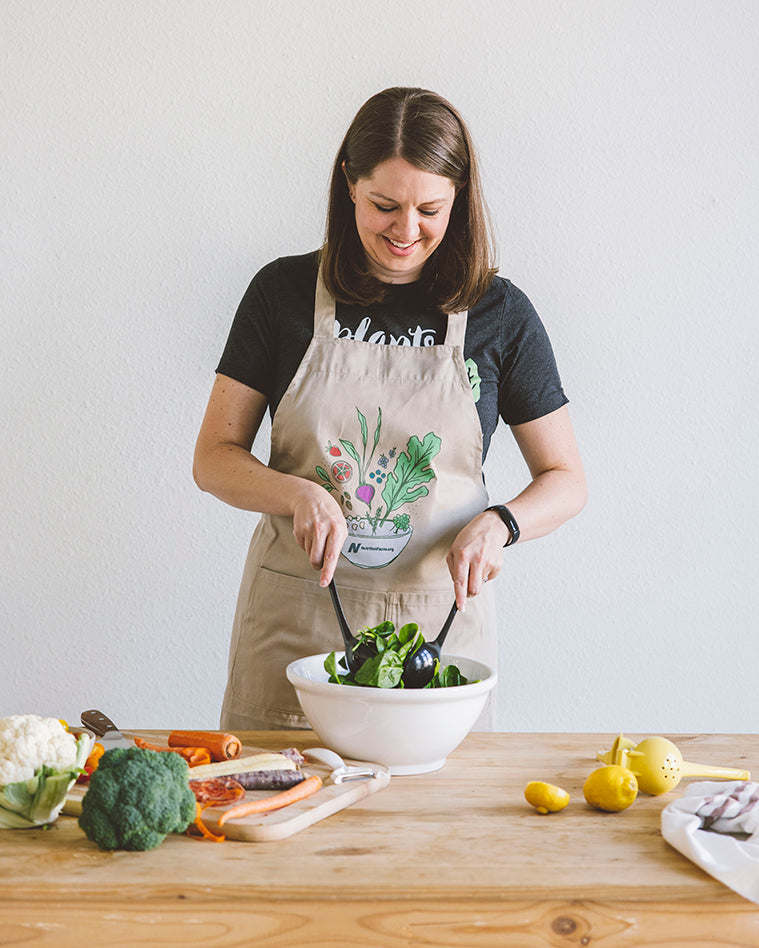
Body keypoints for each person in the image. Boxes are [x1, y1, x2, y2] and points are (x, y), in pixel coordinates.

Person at [194, 87, 587, 731]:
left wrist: (502, 523)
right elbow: (213, 458)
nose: (406, 231)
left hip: (441, 634)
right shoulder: (280, 294)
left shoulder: (501, 315)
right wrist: (297, 494)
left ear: (459, 198)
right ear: (349, 183)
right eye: (384, 206)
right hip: (298, 629)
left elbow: (566, 479)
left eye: (430, 209)